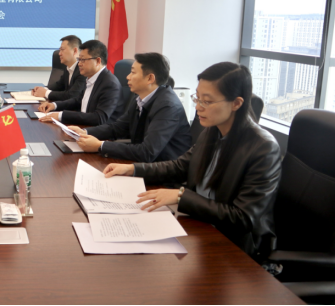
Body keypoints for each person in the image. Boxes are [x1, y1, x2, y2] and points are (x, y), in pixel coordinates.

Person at [103, 62, 281, 258]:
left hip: (234, 248)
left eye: (207, 102)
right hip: (199, 224)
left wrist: (181, 197)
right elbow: (180, 166)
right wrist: (132, 169)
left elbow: (242, 218)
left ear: (236, 103)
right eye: (197, 98)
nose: (197, 107)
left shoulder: (263, 148)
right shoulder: (212, 131)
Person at [68, 52, 191, 162]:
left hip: (164, 172)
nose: (127, 77)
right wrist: (84, 132)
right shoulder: (140, 98)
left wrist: (100, 145)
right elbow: (117, 128)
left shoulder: (167, 107)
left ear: (150, 78)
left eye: (133, 72)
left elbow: (147, 152)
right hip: (145, 165)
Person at [38, 40, 123, 126]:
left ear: (98, 61)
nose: (79, 64)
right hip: (84, 127)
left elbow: (99, 117)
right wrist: (54, 105)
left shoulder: (110, 84)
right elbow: (77, 101)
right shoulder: (91, 78)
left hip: (98, 132)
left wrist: (62, 115)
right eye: (79, 59)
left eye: (83, 60)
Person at [32, 35, 85, 101]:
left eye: (62, 50)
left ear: (75, 51)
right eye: (59, 50)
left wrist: (45, 93)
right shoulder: (68, 68)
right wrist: (42, 89)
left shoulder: (83, 70)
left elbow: (72, 95)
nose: (59, 53)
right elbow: (58, 86)